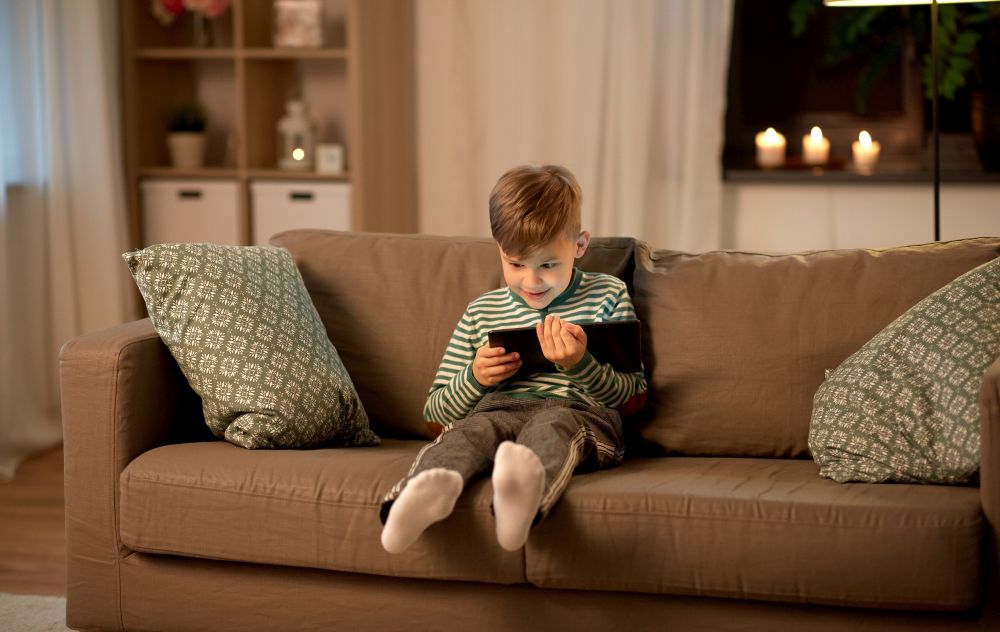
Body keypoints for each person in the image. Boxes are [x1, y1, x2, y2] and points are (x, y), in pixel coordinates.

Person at [379, 164, 647, 554]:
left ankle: (521, 500)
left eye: (548, 265)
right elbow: (436, 414)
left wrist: (581, 364)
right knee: (469, 434)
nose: (531, 281)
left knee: (554, 423)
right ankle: (426, 492)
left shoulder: (607, 295)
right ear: (500, 250)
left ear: (580, 245)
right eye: (516, 264)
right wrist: (476, 378)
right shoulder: (481, 312)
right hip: (497, 409)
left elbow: (634, 399)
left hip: (582, 413)